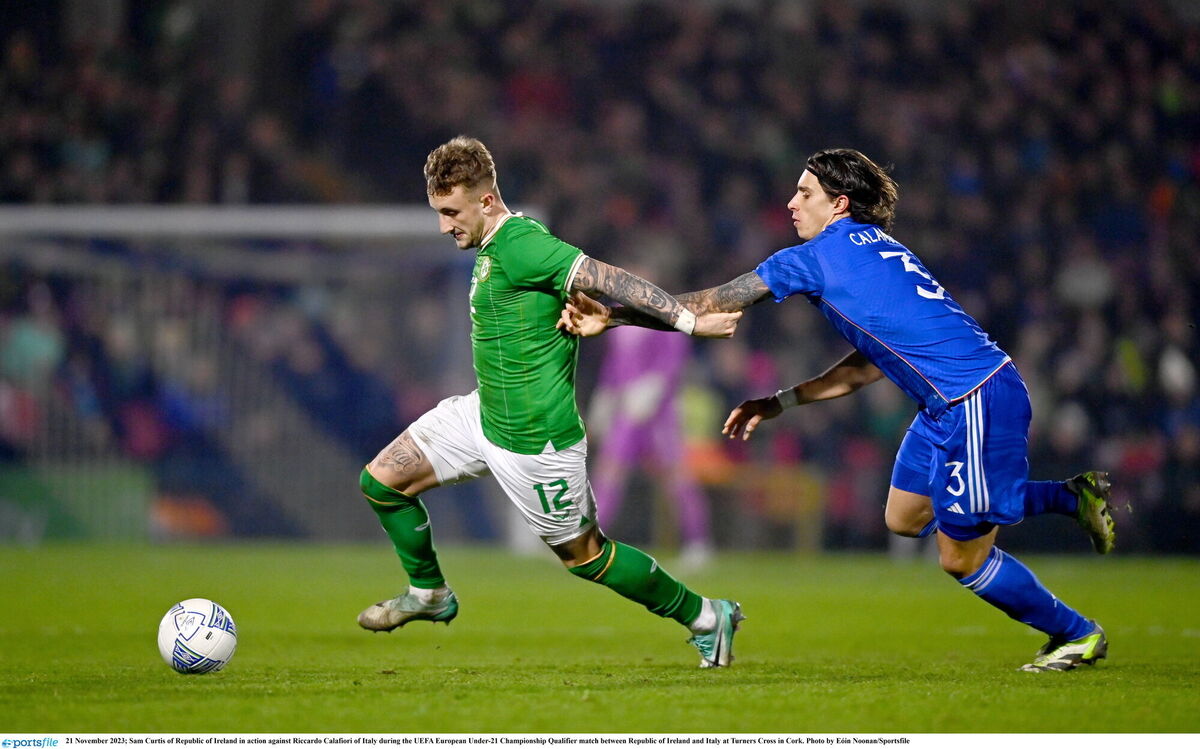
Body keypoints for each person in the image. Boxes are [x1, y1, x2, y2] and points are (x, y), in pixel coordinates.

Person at [560, 148, 1117, 672]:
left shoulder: (813, 258)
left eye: (804, 193)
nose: (791, 203)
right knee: (904, 518)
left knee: (960, 556)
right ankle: (1070, 496)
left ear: (838, 203)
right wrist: (782, 400)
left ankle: (1076, 632)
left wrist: (612, 315)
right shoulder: (879, 247)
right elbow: (870, 362)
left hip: (973, 398)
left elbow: (708, 304)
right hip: (945, 404)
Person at [355, 135, 745, 668]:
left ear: (486, 200)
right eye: (438, 212)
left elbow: (612, 279)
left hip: (535, 440)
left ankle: (707, 616)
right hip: (483, 414)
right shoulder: (495, 246)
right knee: (381, 481)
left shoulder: (519, 243)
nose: (444, 225)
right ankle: (429, 594)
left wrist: (688, 323)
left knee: (587, 558)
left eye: (450, 212)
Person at [589, 321, 714, 569]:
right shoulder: (618, 311)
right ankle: (589, 541)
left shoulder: (661, 308)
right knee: (608, 472)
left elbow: (675, 357)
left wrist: (655, 386)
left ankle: (698, 543)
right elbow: (615, 360)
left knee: (676, 477)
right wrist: (605, 394)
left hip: (659, 413)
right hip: (627, 411)